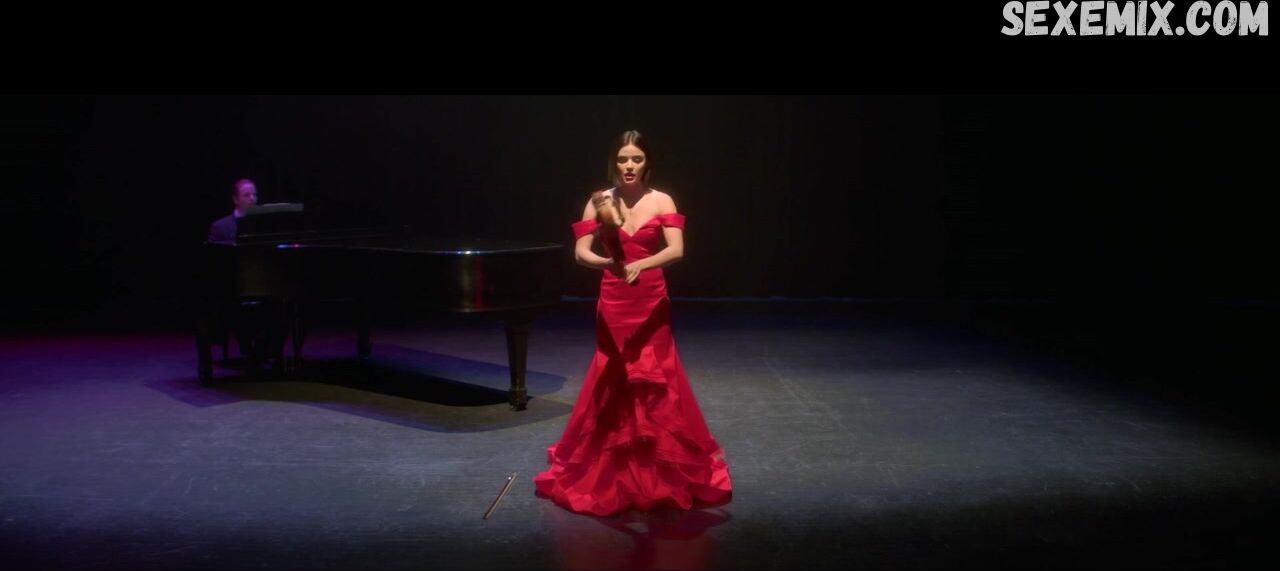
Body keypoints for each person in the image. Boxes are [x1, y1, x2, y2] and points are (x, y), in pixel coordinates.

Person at [533, 130, 733, 516]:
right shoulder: (599, 201)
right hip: (613, 300)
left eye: (636, 159)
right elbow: (580, 253)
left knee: (657, 376)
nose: (629, 166)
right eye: (623, 159)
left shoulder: (662, 200)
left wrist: (642, 263)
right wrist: (609, 263)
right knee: (614, 375)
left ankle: (660, 469)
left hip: (651, 300)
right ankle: (611, 469)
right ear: (614, 162)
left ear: (647, 163)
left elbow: (676, 250)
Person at [207, 179, 257, 244]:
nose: (252, 198)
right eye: (246, 195)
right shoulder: (220, 227)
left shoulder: (262, 224)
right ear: (235, 199)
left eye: (254, 194)